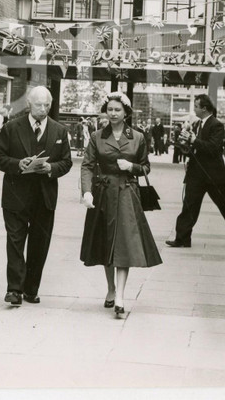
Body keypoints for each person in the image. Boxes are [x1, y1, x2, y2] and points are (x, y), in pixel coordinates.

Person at [80, 92, 161, 317]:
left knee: (123, 244)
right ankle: (111, 289)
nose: (113, 114)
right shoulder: (97, 136)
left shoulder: (137, 137)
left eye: (117, 110)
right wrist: (87, 191)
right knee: (107, 243)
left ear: (126, 113)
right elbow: (87, 165)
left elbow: (146, 166)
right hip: (104, 193)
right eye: (110, 110)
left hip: (127, 193)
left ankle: (121, 297)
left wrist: (131, 167)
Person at [0, 85, 73, 306]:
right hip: (15, 195)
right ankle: (14, 289)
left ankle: (31, 288)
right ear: (29, 104)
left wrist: (51, 169)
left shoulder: (59, 131)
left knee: (40, 243)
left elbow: (67, 162)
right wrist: (18, 164)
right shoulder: (11, 128)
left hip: (44, 197)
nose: (44, 109)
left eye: (47, 104)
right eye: (39, 104)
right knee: (16, 241)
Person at [166, 95, 225, 249]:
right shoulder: (197, 124)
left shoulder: (216, 125)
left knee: (223, 204)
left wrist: (193, 140)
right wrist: (184, 146)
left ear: (204, 108)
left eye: (196, 106)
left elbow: (212, 148)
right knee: (189, 205)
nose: (194, 109)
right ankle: (182, 238)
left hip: (213, 175)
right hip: (196, 173)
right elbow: (195, 148)